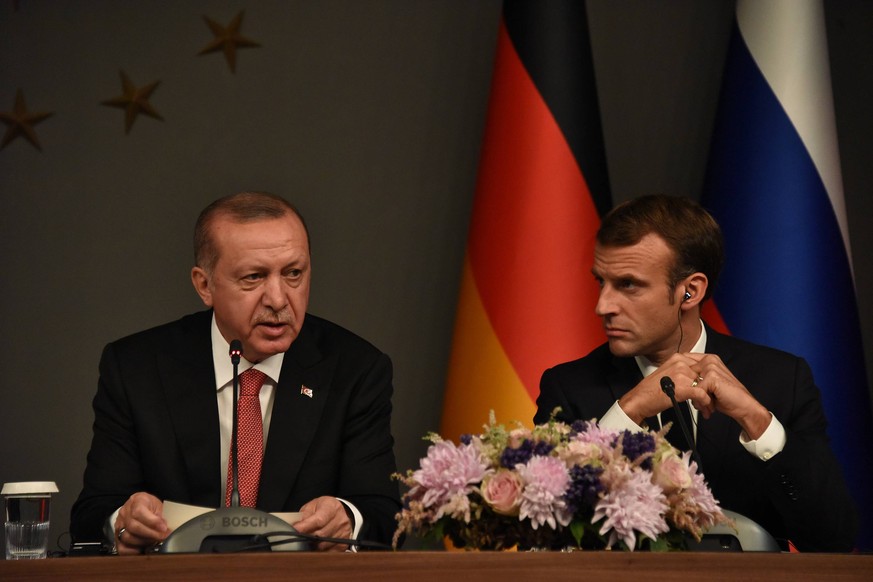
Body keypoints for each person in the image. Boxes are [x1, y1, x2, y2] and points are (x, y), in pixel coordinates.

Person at [71, 191, 400, 553]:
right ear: (204, 285)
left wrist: (348, 519)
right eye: (253, 277)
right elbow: (92, 515)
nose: (278, 299)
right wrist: (124, 521)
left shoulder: (355, 370)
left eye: (294, 274)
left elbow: (383, 516)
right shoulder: (137, 369)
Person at [534, 194, 858, 552]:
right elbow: (545, 528)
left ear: (690, 291)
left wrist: (758, 422)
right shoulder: (568, 387)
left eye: (628, 285)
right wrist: (628, 411)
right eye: (601, 282)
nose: (603, 306)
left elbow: (834, 540)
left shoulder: (782, 379)